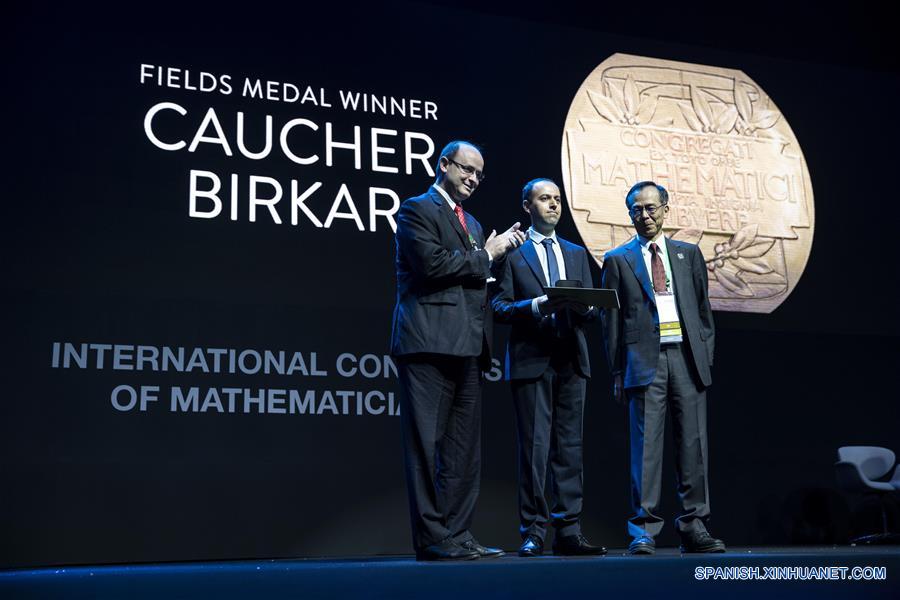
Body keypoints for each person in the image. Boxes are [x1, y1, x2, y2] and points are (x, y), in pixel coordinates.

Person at [390, 140, 526, 561]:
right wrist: (488, 253)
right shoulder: (416, 209)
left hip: (468, 346)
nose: (473, 179)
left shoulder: (472, 221)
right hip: (428, 342)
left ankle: (458, 533)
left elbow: (474, 276)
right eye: (466, 169)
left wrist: (492, 259)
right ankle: (432, 538)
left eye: (479, 174)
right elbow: (432, 266)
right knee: (425, 447)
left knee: (464, 451)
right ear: (443, 164)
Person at [600, 181, 725, 555]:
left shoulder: (688, 254)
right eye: (637, 209)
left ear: (666, 209)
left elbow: (704, 313)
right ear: (629, 214)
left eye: (652, 208)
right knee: (646, 449)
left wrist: (705, 355)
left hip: (686, 359)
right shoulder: (618, 259)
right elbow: (612, 323)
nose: (645, 215)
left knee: (693, 445)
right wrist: (618, 371)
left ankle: (694, 525)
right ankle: (643, 529)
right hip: (643, 363)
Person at [491, 178, 607, 557]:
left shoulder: (575, 252)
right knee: (535, 450)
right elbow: (500, 307)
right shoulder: (513, 252)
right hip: (532, 359)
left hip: (572, 358)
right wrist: (539, 305)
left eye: (557, 199)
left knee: (570, 449)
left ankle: (569, 531)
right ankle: (534, 531)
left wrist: (588, 309)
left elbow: (590, 309)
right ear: (527, 206)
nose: (554, 205)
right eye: (545, 199)